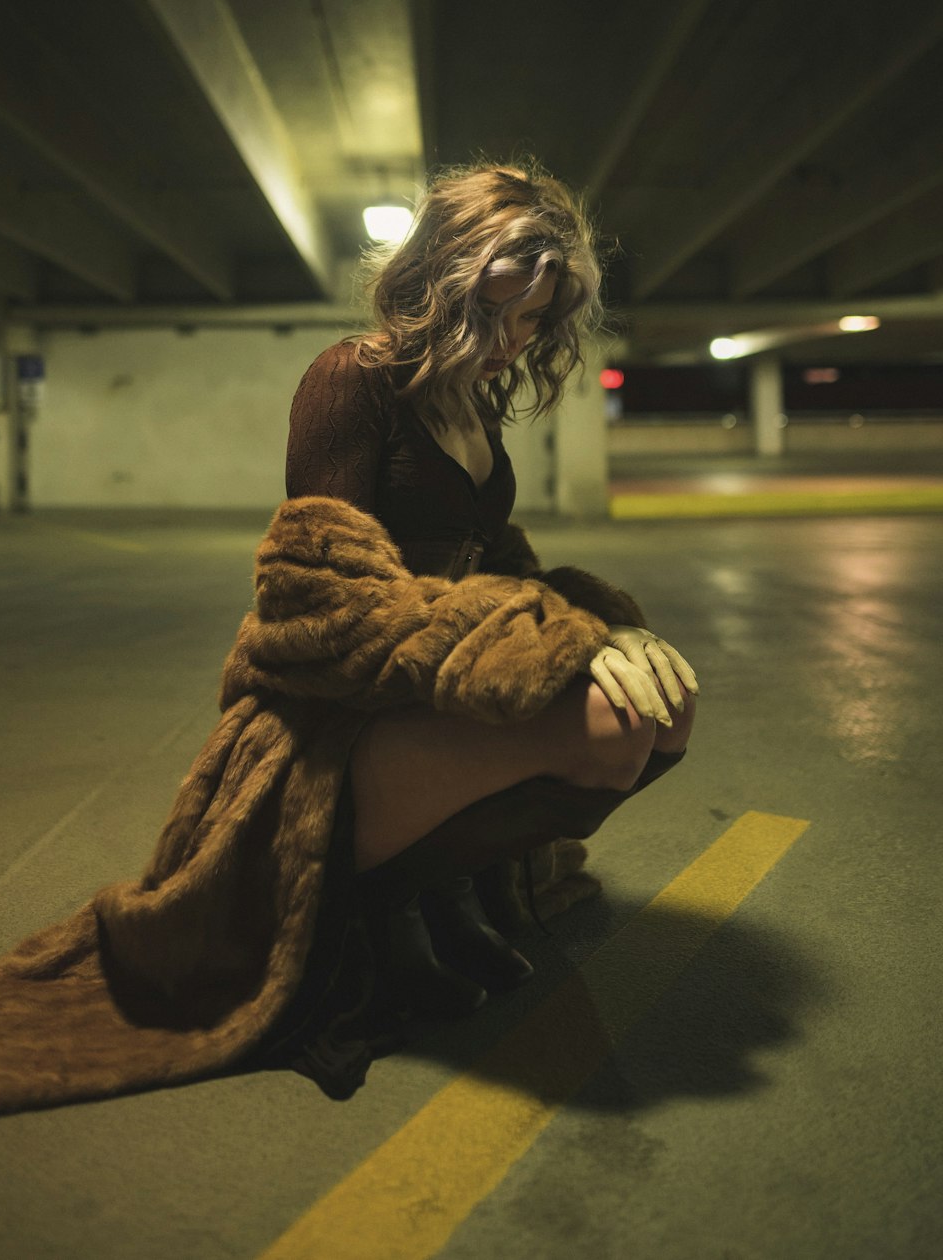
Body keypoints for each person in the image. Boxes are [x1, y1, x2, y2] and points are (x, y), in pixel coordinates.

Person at [284, 158, 697, 1029]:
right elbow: (321, 598)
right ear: (437, 276)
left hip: (453, 673)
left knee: (664, 709)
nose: (512, 339)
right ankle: (376, 907)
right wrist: (556, 641)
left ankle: (451, 888)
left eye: (533, 320)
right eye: (495, 311)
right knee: (612, 724)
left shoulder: (475, 401)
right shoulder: (350, 377)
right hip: (351, 699)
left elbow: (497, 558)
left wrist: (601, 621)